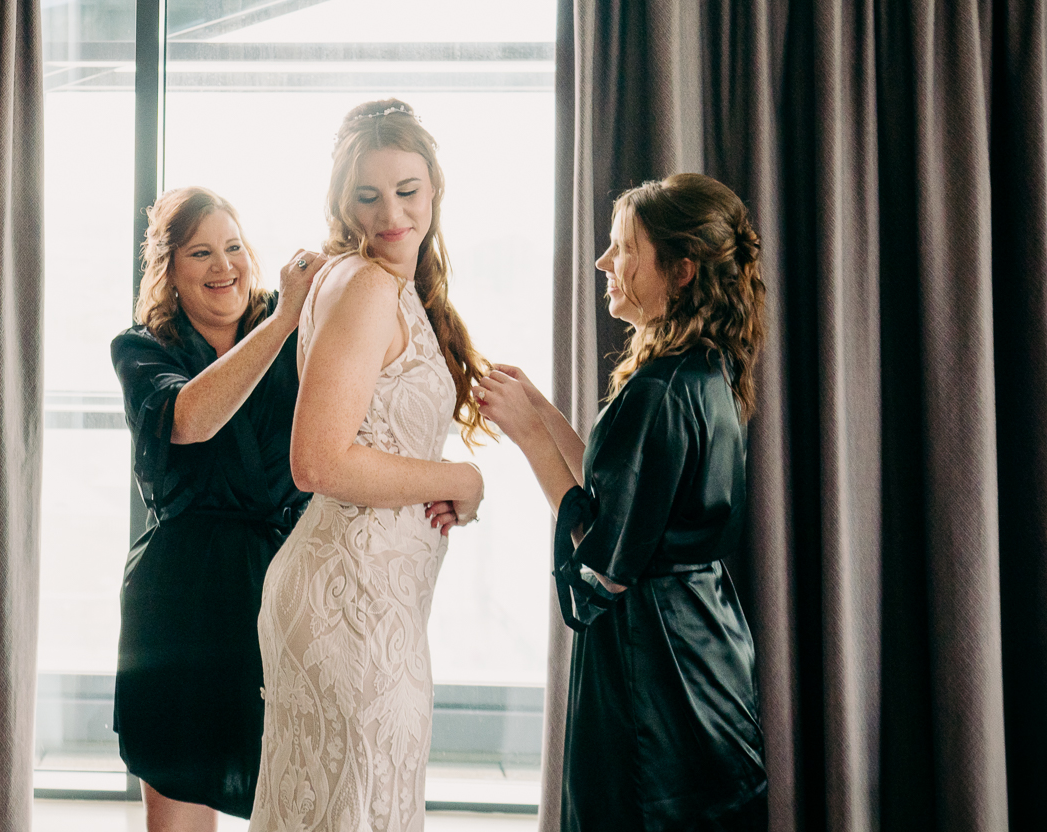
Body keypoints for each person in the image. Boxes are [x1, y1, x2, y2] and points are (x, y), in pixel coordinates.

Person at [474, 173, 769, 831]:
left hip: (655, 680)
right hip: (705, 657)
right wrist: (543, 410)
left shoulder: (659, 391)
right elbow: (628, 497)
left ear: (682, 269)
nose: (605, 262)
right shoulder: (701, 371)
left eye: (623, 248)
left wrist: (526, 436)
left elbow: (600, 568)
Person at [248, 99, 490, 832]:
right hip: (349, 605)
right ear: (342, 203)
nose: (391, 212)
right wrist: (460, 479)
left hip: (371, 598)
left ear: (434, 192)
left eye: (407, 191)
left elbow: (377, 444)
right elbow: (317, 461)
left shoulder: (388, 285)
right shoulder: (367, 285)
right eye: (368, 195)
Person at [111, 187, 328, 829]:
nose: (222, 265)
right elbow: (191, 419)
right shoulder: (141, 347)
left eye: (233, 247)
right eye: (200, 252)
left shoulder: (299, 325)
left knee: (299, 793)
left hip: (288, 585)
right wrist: (281, 321)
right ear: (169, 272)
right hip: (181, 602)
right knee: (182, 791)